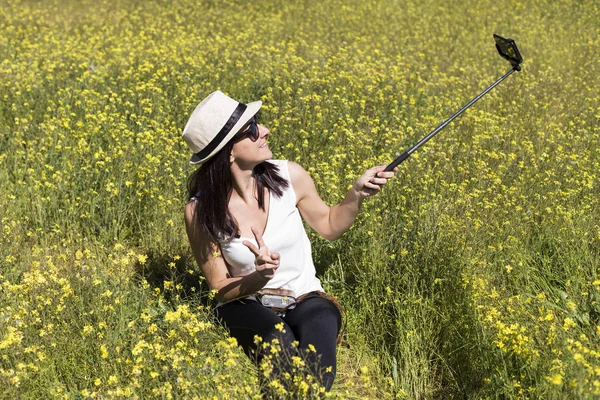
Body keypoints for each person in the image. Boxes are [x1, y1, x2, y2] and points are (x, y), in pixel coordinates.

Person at [182, 90, 396, 394]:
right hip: (246, 303)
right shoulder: (199, 210)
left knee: (317, 369)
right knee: (276, 340)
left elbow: (330, 225)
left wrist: (356, 194)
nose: (265, 131)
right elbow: (219, 286)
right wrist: (259, 276)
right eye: (252, 129)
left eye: (258, 123)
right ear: (229, 151)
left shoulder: (289, 175)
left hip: (305, 297)